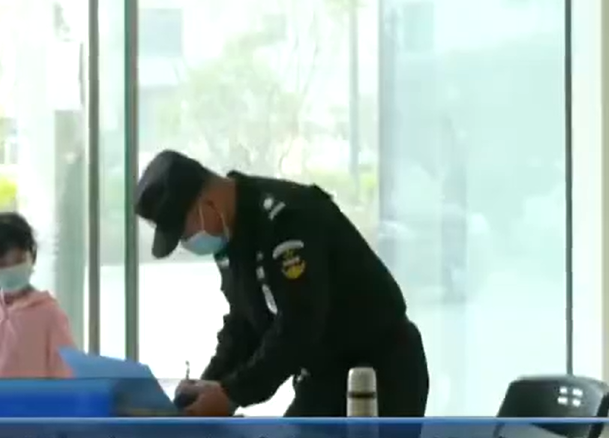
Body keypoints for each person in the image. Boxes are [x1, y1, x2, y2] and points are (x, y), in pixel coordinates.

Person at [133, 150, 430, 418]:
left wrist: (232, 394)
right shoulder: (231, 236)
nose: (188, 243)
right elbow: (243, 325)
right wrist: (210, 384)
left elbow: (299, 324)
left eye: (185, 234)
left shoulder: (287, 221)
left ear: (208, 204)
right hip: (323, 378)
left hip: (379, 373)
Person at [0, 213, 75, 379]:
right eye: (1, 264)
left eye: (19, 260)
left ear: (32, 256)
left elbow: (65, 377)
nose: (11, 269)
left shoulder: (50, 316)